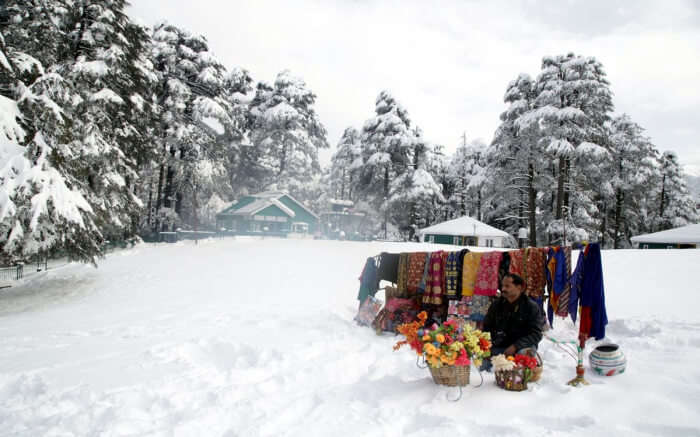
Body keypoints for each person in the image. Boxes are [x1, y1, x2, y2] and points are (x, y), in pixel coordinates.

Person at [481, 273, 544, 370]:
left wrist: (515, 346)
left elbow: (536, 334)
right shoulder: (497, 305)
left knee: (522, 359)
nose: (503, 289)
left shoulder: (531, 307)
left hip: (521, 347)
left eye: (507, 286)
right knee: (483, 367)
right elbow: (487, 327)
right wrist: (486, 344)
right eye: (502, 286)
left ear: (519, 287)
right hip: (500, 346)